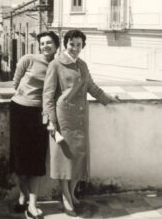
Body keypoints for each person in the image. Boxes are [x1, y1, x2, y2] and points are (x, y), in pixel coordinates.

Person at [42, 29, 119, 217]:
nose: (75, 48)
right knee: (63, 159)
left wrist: (108, 99)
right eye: (71, 44)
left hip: (80, 118)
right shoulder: (56, 64)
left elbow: (91, 87)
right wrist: (50, 121)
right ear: (65, 44)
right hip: (63, 118)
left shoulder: (82, 65)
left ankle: (72, 193)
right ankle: (67, 197)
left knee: (78, 159)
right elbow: (48, 95)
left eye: (78, 45)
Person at [9, 31, 60, 219]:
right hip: (19, 111)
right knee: (20, 157)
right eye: (43, 43)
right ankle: (22, 195)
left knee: (37, 160)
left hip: (40, 114)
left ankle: (32, 204)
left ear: (56, 45)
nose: (45, 46)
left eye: (49, 43)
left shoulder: (58, 65)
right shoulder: (28, 59)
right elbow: (15, 83)